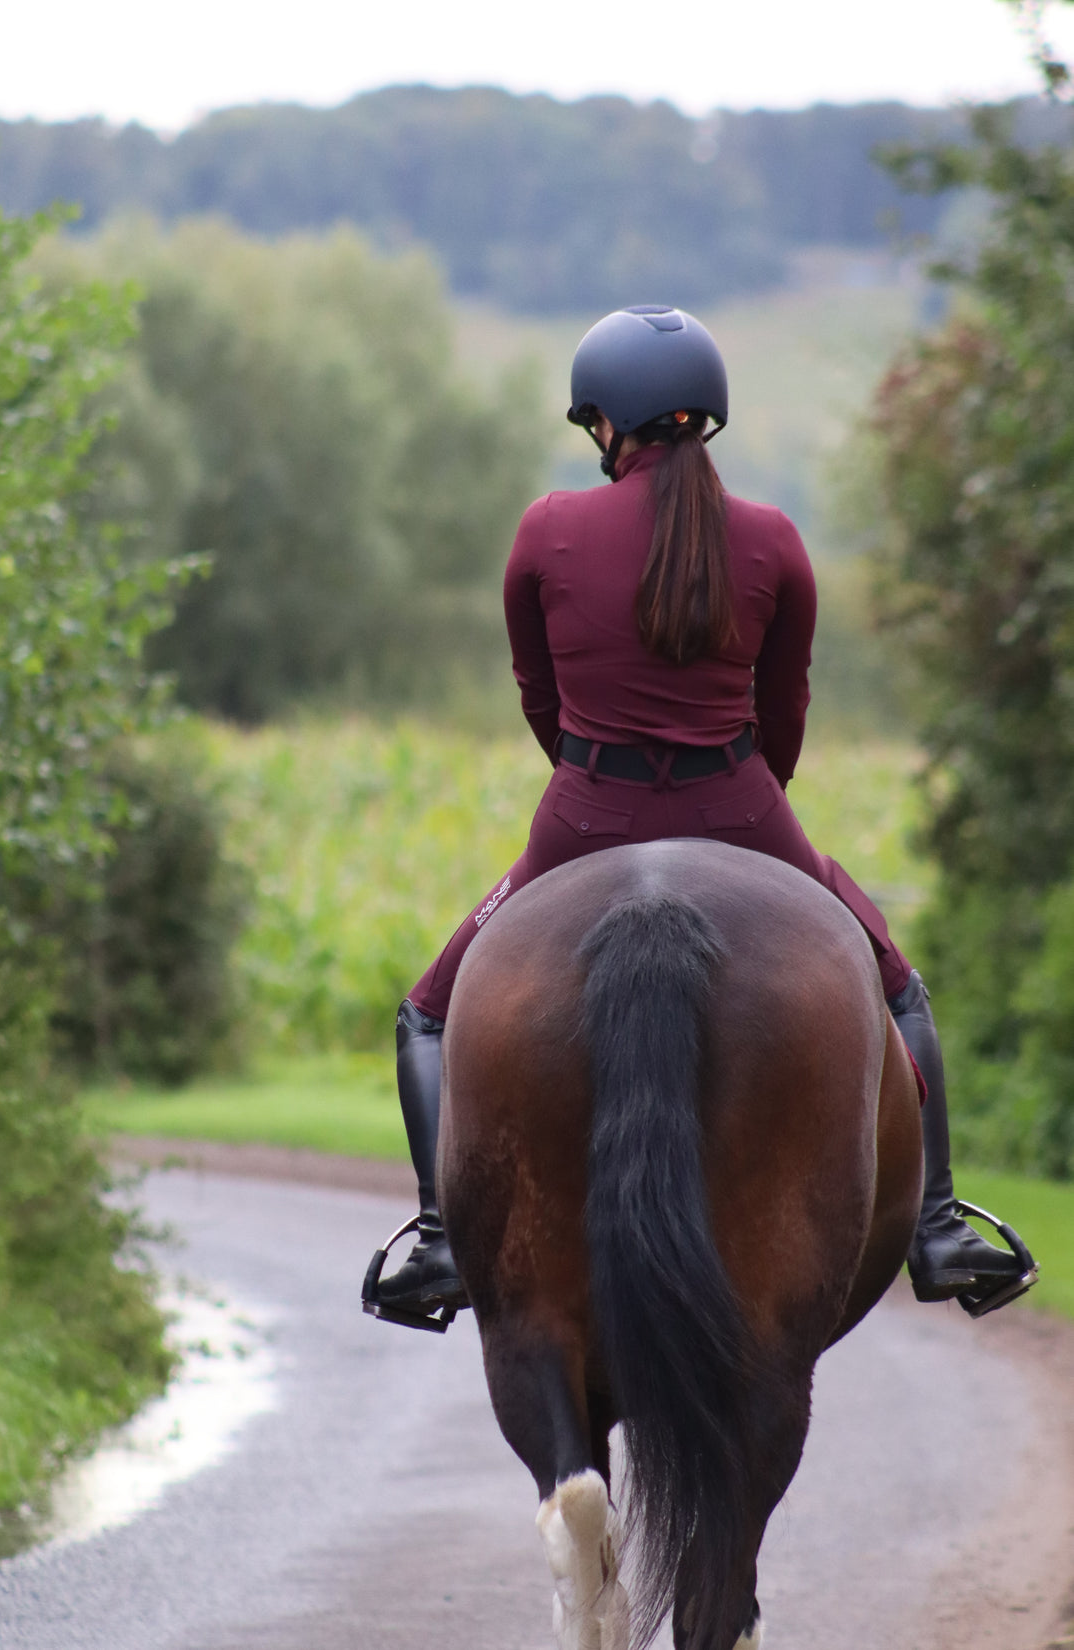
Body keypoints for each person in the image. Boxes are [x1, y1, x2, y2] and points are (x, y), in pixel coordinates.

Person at [365, 304, 1037, 1327]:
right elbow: (784, 719)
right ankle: (938, 1228)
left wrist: (600, 780)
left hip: (582, 818)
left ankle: (441, 1239)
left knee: (426, 1014)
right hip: (742, 813)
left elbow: (536, 696)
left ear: (605, 423)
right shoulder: (771, 540)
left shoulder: (547, 529)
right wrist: (732, 799)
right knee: (898, 993)